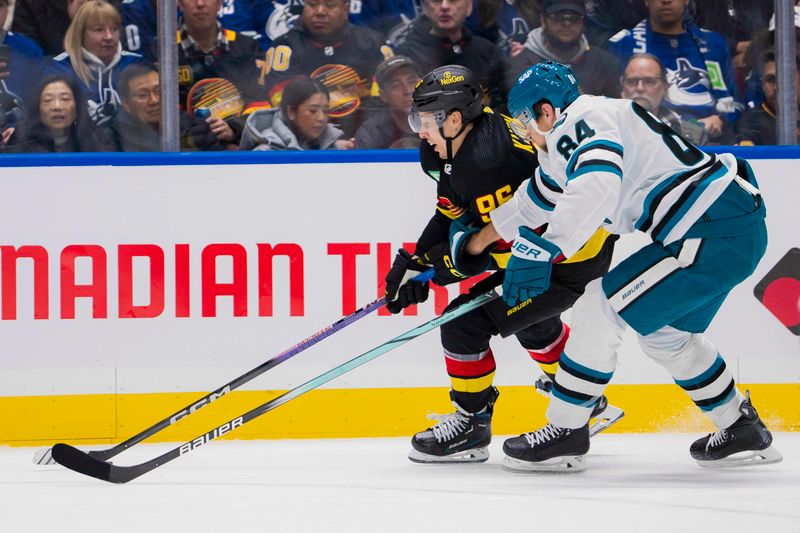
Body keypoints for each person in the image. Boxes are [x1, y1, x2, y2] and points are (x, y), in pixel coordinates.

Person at [460, 61, 781, 471]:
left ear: (545, 111)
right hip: (725, 226)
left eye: (524, 122)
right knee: (665, 334)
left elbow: (597, 182)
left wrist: (547, 249)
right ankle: (740, 428)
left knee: (601, 301)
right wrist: (478, 241)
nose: (524, 133)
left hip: (711, 229)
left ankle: (567, 429)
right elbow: (535, 198)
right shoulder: (581, 130)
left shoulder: (579, 120)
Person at [383, 64, 622, 464]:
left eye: (425, 121)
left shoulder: (498, 162)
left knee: (463, 323)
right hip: (544, 251)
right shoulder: (450, 144)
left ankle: (471, 424)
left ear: (454, 119)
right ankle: (582, 399)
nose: (420, 131)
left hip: (569, 257)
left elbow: (525, 243)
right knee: (531, 320)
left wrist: (454, 265)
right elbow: (451, 210)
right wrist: (417, 259)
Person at [607, 0, 743, 143]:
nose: (666, 1)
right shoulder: (624, 44)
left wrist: (721, 119)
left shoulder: (713, 43)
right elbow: (612, 103)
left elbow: (736, 101)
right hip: (646, 140)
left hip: (711, 144)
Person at [261, 0, 388, 138]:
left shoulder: (373, 43)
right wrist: (327, 140)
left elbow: (387, 99)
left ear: (346, 10)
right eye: (312, 5)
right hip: (307, 144)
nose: (320, 12)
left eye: (330, 5)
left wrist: (365, 136)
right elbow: (286, 105)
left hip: (367, 138)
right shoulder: (284, 47)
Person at [166, 0, 268, 148]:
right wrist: (201, 130)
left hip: (238, 145)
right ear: (179, 4)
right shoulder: (163, 50)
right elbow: (163, 111)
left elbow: (259, 103)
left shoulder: (247, 47)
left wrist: (234, 129)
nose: (200, 3)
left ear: (220, 3)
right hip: (187, 148)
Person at [44, 0, 143, 126]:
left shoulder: (136, 64)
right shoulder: (59, 68)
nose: (109, 36)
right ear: (81, 33)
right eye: (99, 30)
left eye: (114, 29)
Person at [391, 0, 505, 109]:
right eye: (436, 0)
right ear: (425, 8)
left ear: (469, 7)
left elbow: (502, 102)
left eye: (453, 0)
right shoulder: (407, 55)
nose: (444, 6)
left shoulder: (487, 51)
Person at [505, 0, 621, 98]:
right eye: (558, 17)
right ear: (543, 21)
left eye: (574, 18)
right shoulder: (521, 62)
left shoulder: (604, 62)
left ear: (584, 24)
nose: (567, 23)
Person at [108, 63, 223, 151]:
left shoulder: (197, 128)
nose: (154, 100)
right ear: (126, 104)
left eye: (159, 91)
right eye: (143, 95)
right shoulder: (114, 137)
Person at [239, 76, 352, 150]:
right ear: (291, 112)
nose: (322, 118)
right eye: (313, 111)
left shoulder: (334, 147)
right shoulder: (265, 153)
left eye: (326, 110)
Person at [5, 74, 111, 152]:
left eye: (65, 99)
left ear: (77, 106)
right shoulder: (21, 138)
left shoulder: (95, 137)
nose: (57, 107)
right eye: (48, 100)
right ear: (38, 109)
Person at [0, 0, 43, 145]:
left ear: (7, 9)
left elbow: (39, 104)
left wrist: (21, 130)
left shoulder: (28, 50)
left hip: (20, 141)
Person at [354, 55, 421, 149]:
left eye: (412, 81)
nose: (408, 91)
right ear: (383, 95)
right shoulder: (371, 133)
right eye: (396, 85)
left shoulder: (440, 122)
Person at [735, 50, 800, 146]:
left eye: (787, 78)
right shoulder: (749, 126)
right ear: (763, 86)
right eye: (771, 80)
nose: (777, 87)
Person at [621, 53, 685, 135]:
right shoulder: (605, 126)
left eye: (649, 81)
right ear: (622, 87)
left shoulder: (689, 134)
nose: (640, 88)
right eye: (632, 81)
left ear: (665, 87)